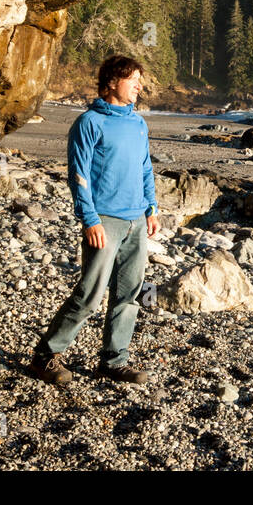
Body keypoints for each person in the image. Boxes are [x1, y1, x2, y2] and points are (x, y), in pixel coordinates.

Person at [28, 54, 159, 385]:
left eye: (138, 80)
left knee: (129, 293)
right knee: (90, 293)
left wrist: (151, 208)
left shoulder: (137, 123)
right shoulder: (89, 123)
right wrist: (89, 219)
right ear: (113, 82)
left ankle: (114, 361)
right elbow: (78, 175)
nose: (138, 86)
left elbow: (145, 168)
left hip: (136, 222)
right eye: (133, 80)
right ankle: (46, 356)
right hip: (104, 220)